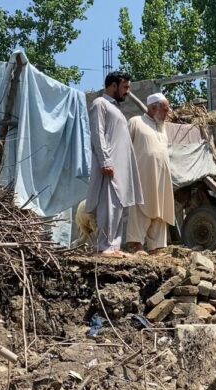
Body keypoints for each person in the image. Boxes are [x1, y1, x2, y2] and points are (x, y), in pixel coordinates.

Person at [84, 71, 143, 257]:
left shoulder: (116, 109)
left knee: (117, 207)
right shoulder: (100, 104)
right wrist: (106, 161)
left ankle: (114, 247)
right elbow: (97, 134)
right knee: (108, 207)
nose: (128, 91)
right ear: (113, 86)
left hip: (119, 168)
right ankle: (104, 246)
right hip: (109, 166)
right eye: (125, 87)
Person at [125, 93, 175, 255]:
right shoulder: (135, 122)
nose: (168, 114)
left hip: (162, 179)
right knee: (140, 208)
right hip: (142, 177)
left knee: (161, 209)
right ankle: (136, 244)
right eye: (165, 110)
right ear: (154, 108)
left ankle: (157, 246)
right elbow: (124, 148)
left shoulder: (162, 127)